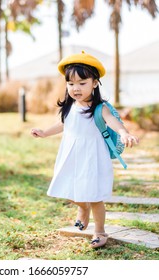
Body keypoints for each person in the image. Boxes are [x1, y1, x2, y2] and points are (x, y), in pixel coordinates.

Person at [31, 51, 139, 249]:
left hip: (92, 158)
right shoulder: (70, 106)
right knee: (68, 189)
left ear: (95, 83)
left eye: (82, 83)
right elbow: (62, 124)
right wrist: (45, 132)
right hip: (71, 156)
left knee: (95, 196)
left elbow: (113, 121)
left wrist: (124, 133)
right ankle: (82, 209)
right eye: (71, 84)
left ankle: (100, 231)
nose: (76, 88)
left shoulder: (100, 108)